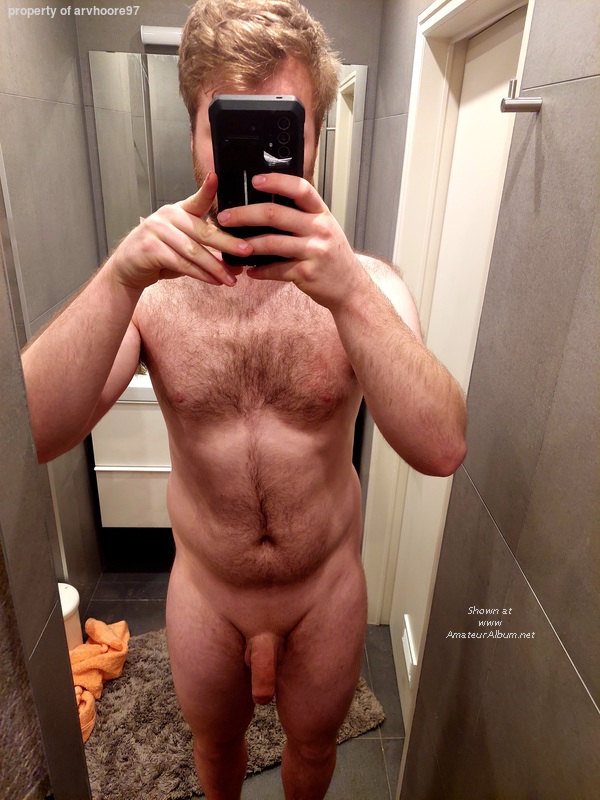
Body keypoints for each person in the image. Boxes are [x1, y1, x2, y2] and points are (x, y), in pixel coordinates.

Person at [22, 1, 467, 797]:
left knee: (314, 753)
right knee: (216, 752)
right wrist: (121, 275)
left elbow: (443, 448)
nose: (257, 159)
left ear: (315, 136)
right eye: (228, 125)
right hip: (209, 592)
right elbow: (30, 432)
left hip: (324, 590)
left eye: (282, 128)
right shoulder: (152, 297)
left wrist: (348, 293)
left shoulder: (367, 286)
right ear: (194, 133)